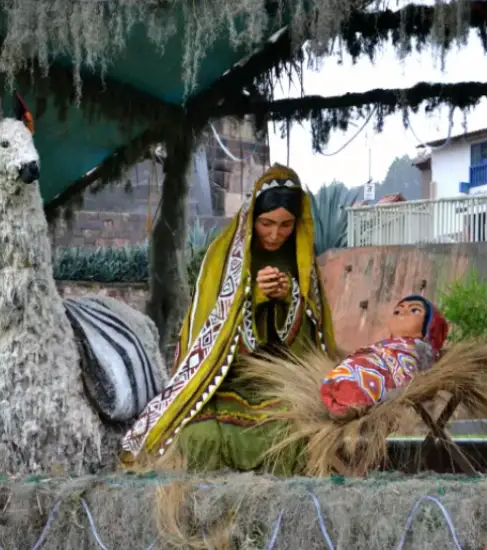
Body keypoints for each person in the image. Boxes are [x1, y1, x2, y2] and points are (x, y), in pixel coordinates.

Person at [120, 164, 337, 472]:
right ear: (251, 218)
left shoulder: (302, 265)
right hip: (225, 380)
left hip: (281, 382)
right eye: (266, 223)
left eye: (286, 225)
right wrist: (255, 297)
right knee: (198, 435)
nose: (276, 234)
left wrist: (289, 300)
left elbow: (310, 347)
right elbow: (211, 332)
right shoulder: (221, 258)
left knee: (295, 433)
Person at [320, 295, 449, 419]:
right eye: (397, 311)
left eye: (414, 310)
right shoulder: (383, 345)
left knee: (364, 381)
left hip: (385, 377)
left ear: (428, 325)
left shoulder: (421, 349)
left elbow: (417, 377)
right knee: (347, 375)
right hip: (352, 371)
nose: (403, 313)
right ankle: (341, 397)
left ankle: (352, 400)